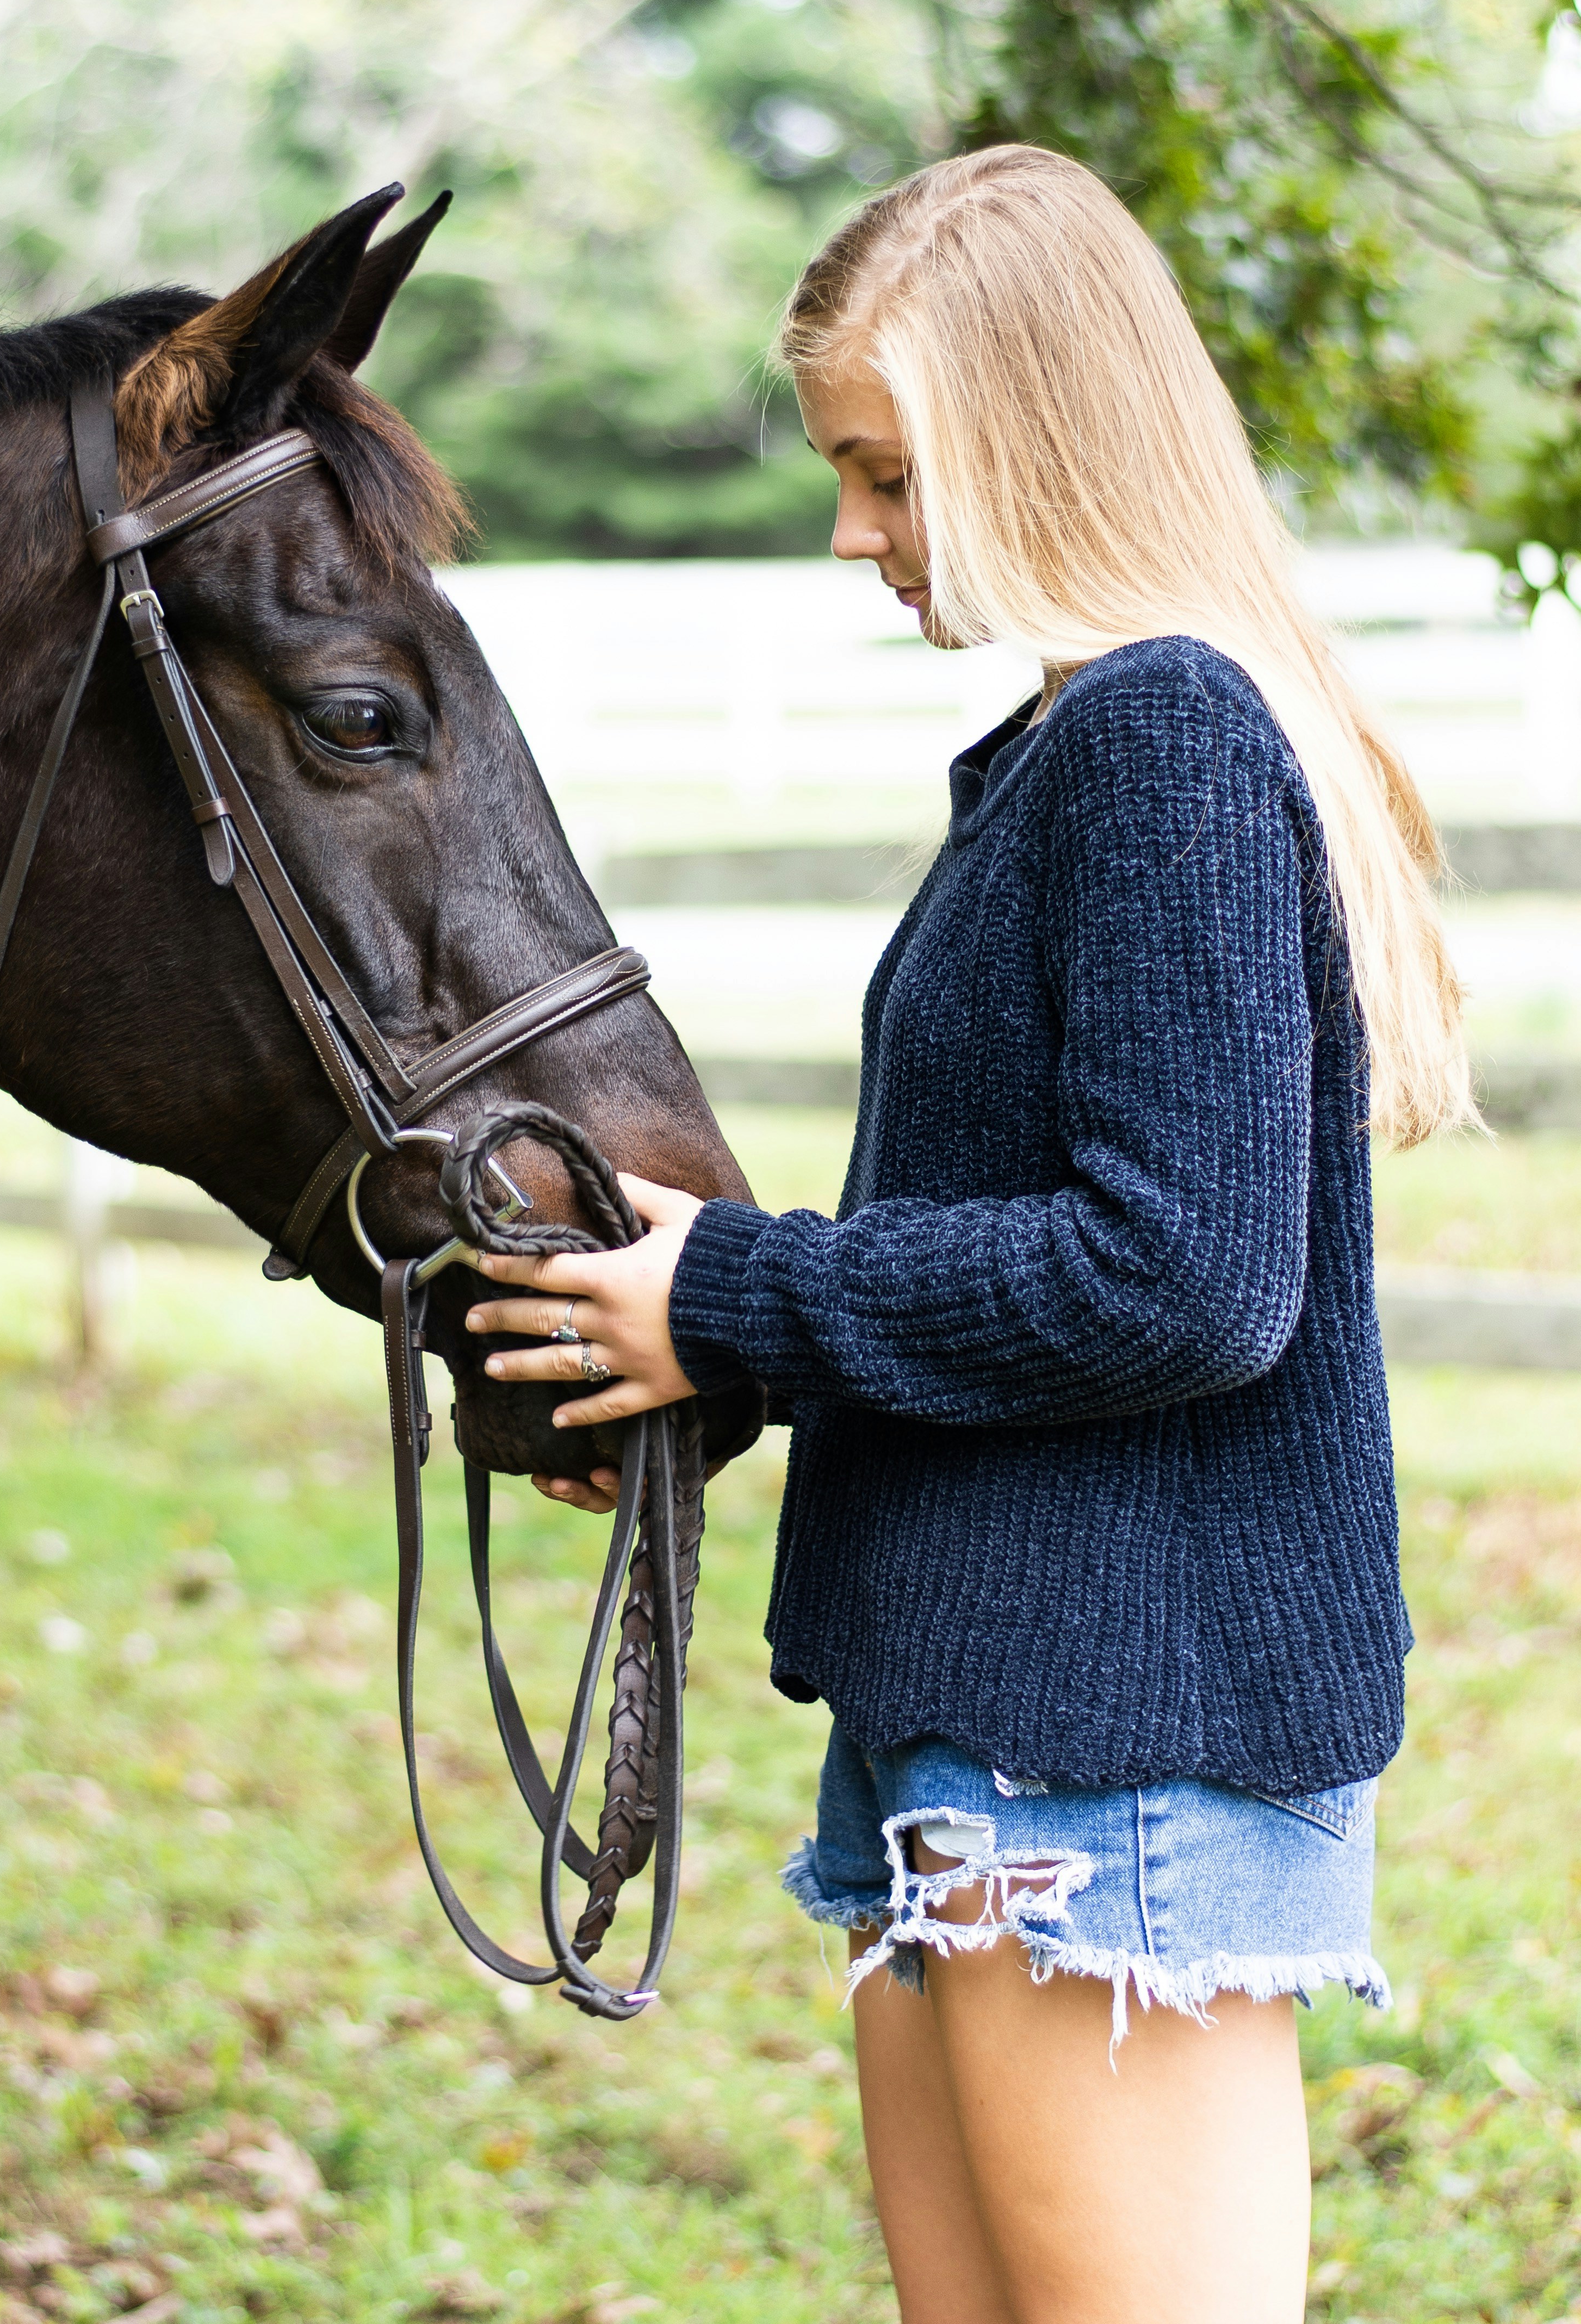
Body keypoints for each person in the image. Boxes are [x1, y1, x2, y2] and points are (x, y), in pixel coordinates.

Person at [462, 144, 1472, 2324]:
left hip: (1104, 1749)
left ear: (1036, 432)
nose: (856, 537)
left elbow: (1189, 1273)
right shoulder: (1061, 756)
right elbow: (1042, 1242)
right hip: (989, 1729)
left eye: (889, 475)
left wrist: (743, 1288)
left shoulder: (1165, 741)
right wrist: (693, 1323)